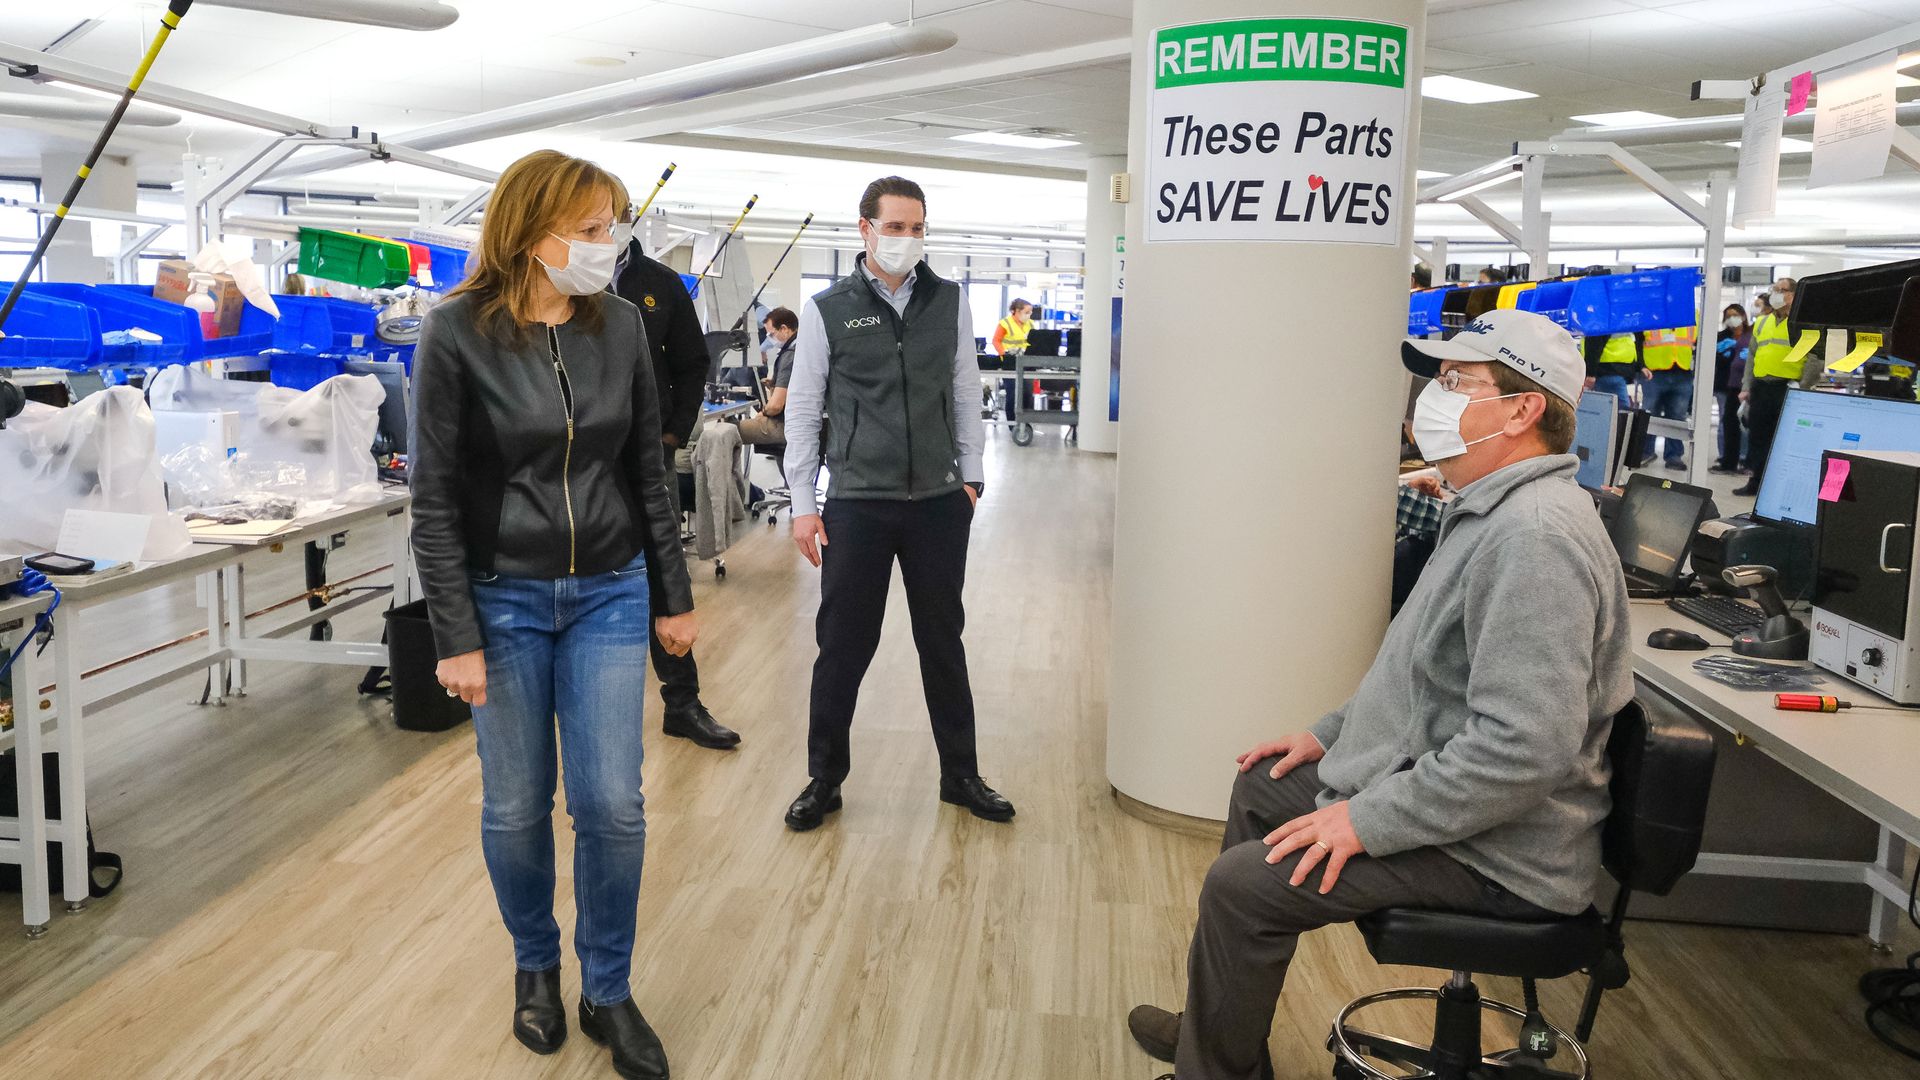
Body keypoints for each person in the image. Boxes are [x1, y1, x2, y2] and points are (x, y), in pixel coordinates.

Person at [1126, 308, 1633, 1080]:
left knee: (1243, 884)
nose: (1434, 396)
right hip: (1466, 807)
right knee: (1265, 787)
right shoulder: (1488, 509)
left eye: (1458, 381)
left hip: (1504, 855)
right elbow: (1421, 677)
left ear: (1523, 410)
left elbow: (1524, 748)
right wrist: (1331, 735)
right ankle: (1217, 1034)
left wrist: (1366, 820)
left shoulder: (1535, 538)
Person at [411, 150, 696, 1080]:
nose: (609, 243)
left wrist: (673, 595)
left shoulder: (621, 326)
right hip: (502, 598)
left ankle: (607, 988)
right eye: (592, 228)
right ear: (534, 234)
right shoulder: (456, 332)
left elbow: (646, 470)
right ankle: (535, 964)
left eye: (611, 225)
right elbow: (433, 499)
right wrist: (454, 634)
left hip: (610, 588)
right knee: (516, 802)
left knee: (612, 802)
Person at [780, 175, 1012, 831]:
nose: (907, 238)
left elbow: (964, 391)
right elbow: (804, 408)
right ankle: (825, 779)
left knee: (943, 642)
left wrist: (972, 480)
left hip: (938, 502)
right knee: (843, 646)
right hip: (857, 502)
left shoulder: (949, 301)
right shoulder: (828, 309)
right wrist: (803, 502)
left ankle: (960, 775)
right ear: (866, 229)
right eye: (895, 227)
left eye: (917, 227)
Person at [612, 210, 741, 750]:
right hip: (573, 455)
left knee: (663, 570)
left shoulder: (660, 284)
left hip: (647, 449)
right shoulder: (553, 278)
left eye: (612, 218)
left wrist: (673, 432)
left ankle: (682, 701)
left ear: (627, 219)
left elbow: (692, 363)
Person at [1735, 277, 1802, 498]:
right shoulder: (1763, 322)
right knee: (1757, 437)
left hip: (1788, 388)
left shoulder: (1801, 324)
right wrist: (1746, 386)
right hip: (1761, 387)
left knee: (1783, 439)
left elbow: (1813, 358)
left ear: (1793, 295)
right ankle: (1756, 481)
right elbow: (1751, 357)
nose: (1776, 294)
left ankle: (1778, 486)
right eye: (1774, 289)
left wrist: (1804, 386)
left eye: (1782, 290)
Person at [1639, 324, 1698, 471]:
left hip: (1682, 371)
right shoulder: (1651, 314)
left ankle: (1674, 455)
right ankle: (1645, 452)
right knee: (1649, 414)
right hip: (1653, 372)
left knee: (1677, 416)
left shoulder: (1693, 315)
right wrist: (1640, 365)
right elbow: (1638, 341)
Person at [737, 306, 798, 445]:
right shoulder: (802, 349)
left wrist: (763, 413)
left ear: (784, 329)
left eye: (771, 334)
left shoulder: (790, 356)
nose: (769, 338)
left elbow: (776, 406)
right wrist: (774, 383)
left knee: (728, 431)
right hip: (799, 422)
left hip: (784, 425)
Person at [1711, 303, 1752, 475]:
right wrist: (1725, 354)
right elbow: (1714, 360)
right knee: (1728, 422)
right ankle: (1728, 459)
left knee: (1746, 424)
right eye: (1728, 316)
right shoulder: (1722, 337)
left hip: (1747, 386)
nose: (1732, 319)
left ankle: (1746, 459)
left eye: (1735, 315)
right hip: (1727, 385)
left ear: (1743, 315)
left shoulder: (1751, 335)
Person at [992, 298, 1034, 426]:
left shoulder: (1030, 324)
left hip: (1027, 363)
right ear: (1017, 311)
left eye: (1030, 312)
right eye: (1027, 312)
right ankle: (1012, 424)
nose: (1029, 315)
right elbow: (996, 341)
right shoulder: (1005, 323)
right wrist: (1004, 353)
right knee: (1012, 394)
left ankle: (1025, 424)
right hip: (1010, 364)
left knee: (1027, 394)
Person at [1583, 330, 1642, 409]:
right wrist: (1591, 373)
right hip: (1609, 370)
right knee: (1620, 409)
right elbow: (1594, 344)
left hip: (1614, 370)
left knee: (1612, 408)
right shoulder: (1606, 323)